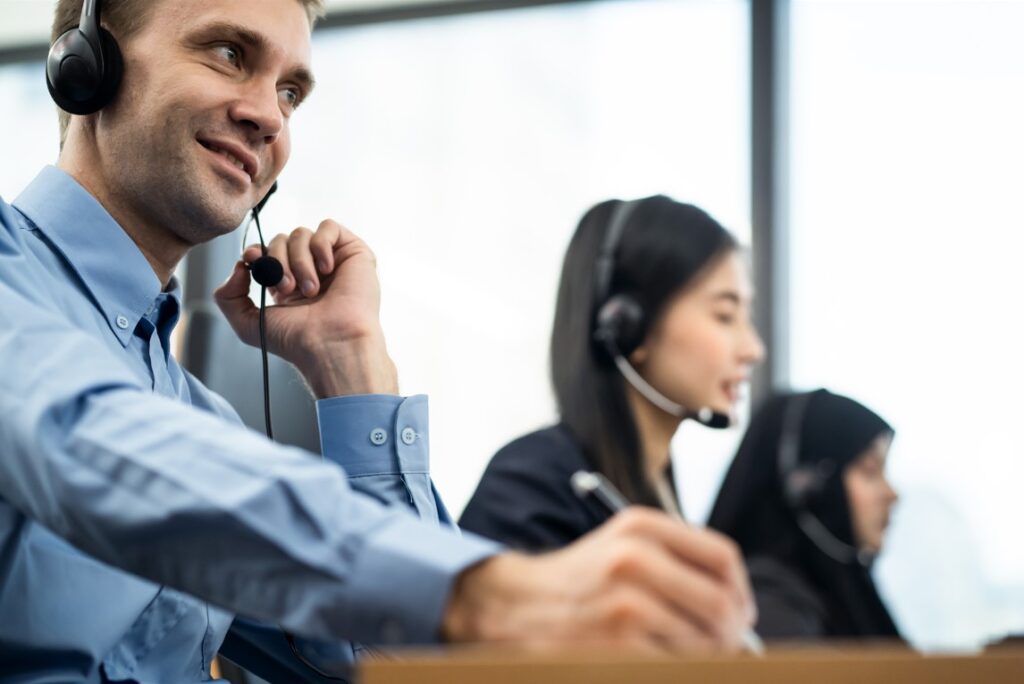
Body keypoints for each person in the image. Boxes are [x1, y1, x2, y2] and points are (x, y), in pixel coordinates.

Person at [0, 0, 757, 680]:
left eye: (290, 92)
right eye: (229, 54)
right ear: (86, 64)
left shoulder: (200, 423)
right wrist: (486, 589)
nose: (269, 116)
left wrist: (351, 363)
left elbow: (388, 665)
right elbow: (88, 436)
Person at [460, 195, 765, 549]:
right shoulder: (533, 486)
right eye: (724, 316)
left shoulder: (657, 490)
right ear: (626, 324)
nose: (753, 349)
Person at [706, 389, 903, 641]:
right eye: (870, 471)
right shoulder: (769, 603)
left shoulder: (847, 591)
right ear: (807, 488)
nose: (892, 493)